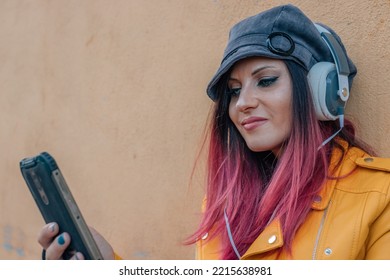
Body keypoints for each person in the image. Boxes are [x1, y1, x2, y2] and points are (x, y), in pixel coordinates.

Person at [37, 4, 390, 260]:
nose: (242, 104)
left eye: (265, 81)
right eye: (234, 91)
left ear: (320, 92)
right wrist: (106, 263)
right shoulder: (223, 207)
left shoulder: (379, 196)